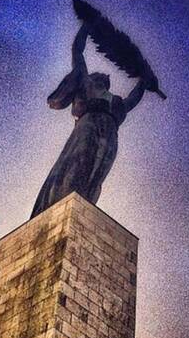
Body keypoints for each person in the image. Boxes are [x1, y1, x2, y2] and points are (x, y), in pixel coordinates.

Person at [30, 24, 146, 219]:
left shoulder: (116, 102)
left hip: (110, 132)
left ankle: (82, 207)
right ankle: (60, 204)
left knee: (98, 171)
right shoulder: (86, 84)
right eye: (98, 76)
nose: (102, 76)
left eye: (104, 78)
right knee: (79, 162)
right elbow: (77, 51)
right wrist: (87, 24)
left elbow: (132, 100)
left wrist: (144, 81)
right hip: (88, 124)